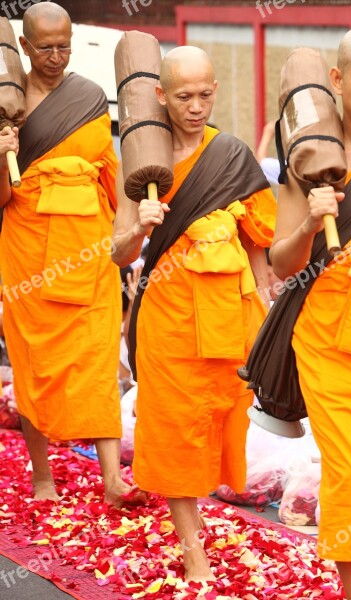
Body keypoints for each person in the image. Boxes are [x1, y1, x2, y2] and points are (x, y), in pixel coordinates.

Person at [112, 45, 277, 582]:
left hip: (229, 318)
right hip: (169, 320)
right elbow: (117, 253)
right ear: (161, 94)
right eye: (184, 96)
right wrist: (139, 225)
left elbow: (259, 243)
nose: (197, 105)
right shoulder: (141, 159)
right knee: (175, 427)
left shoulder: (230, 154)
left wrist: (266, 301)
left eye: (206, 94)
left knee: (218, 419)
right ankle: (191, 547)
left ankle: (202, 519)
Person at [269, 26, 351, 600]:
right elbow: (280, 263)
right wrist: (307, 221)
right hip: (330, 348)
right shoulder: (311, 155)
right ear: (338, 81)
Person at [0, 3, 144, 507]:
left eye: (65, 46)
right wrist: (3, 153)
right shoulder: (5, 105)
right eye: (46, 47)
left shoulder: (85, 96)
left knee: (97, 361)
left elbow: (113, 174)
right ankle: (42, 474)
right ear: (23, 46)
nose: (57, 56)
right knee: (34, 359)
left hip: (87, 247)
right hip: (28, 253)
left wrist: (128, 237)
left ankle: (110, 480)